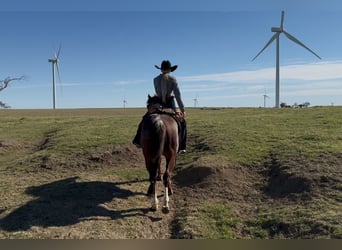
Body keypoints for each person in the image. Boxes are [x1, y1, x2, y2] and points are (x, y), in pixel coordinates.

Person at [132, 60, 187, 153]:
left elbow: (158, 92)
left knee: (145, 118)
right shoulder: (173, 79)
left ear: (161, 69)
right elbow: (177, 95)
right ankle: (182, 146)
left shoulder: (155, 79)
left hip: (158, 104)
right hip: (170, 103)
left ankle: (138, 140)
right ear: (170, 69)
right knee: (183, 122)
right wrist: (183, 110)